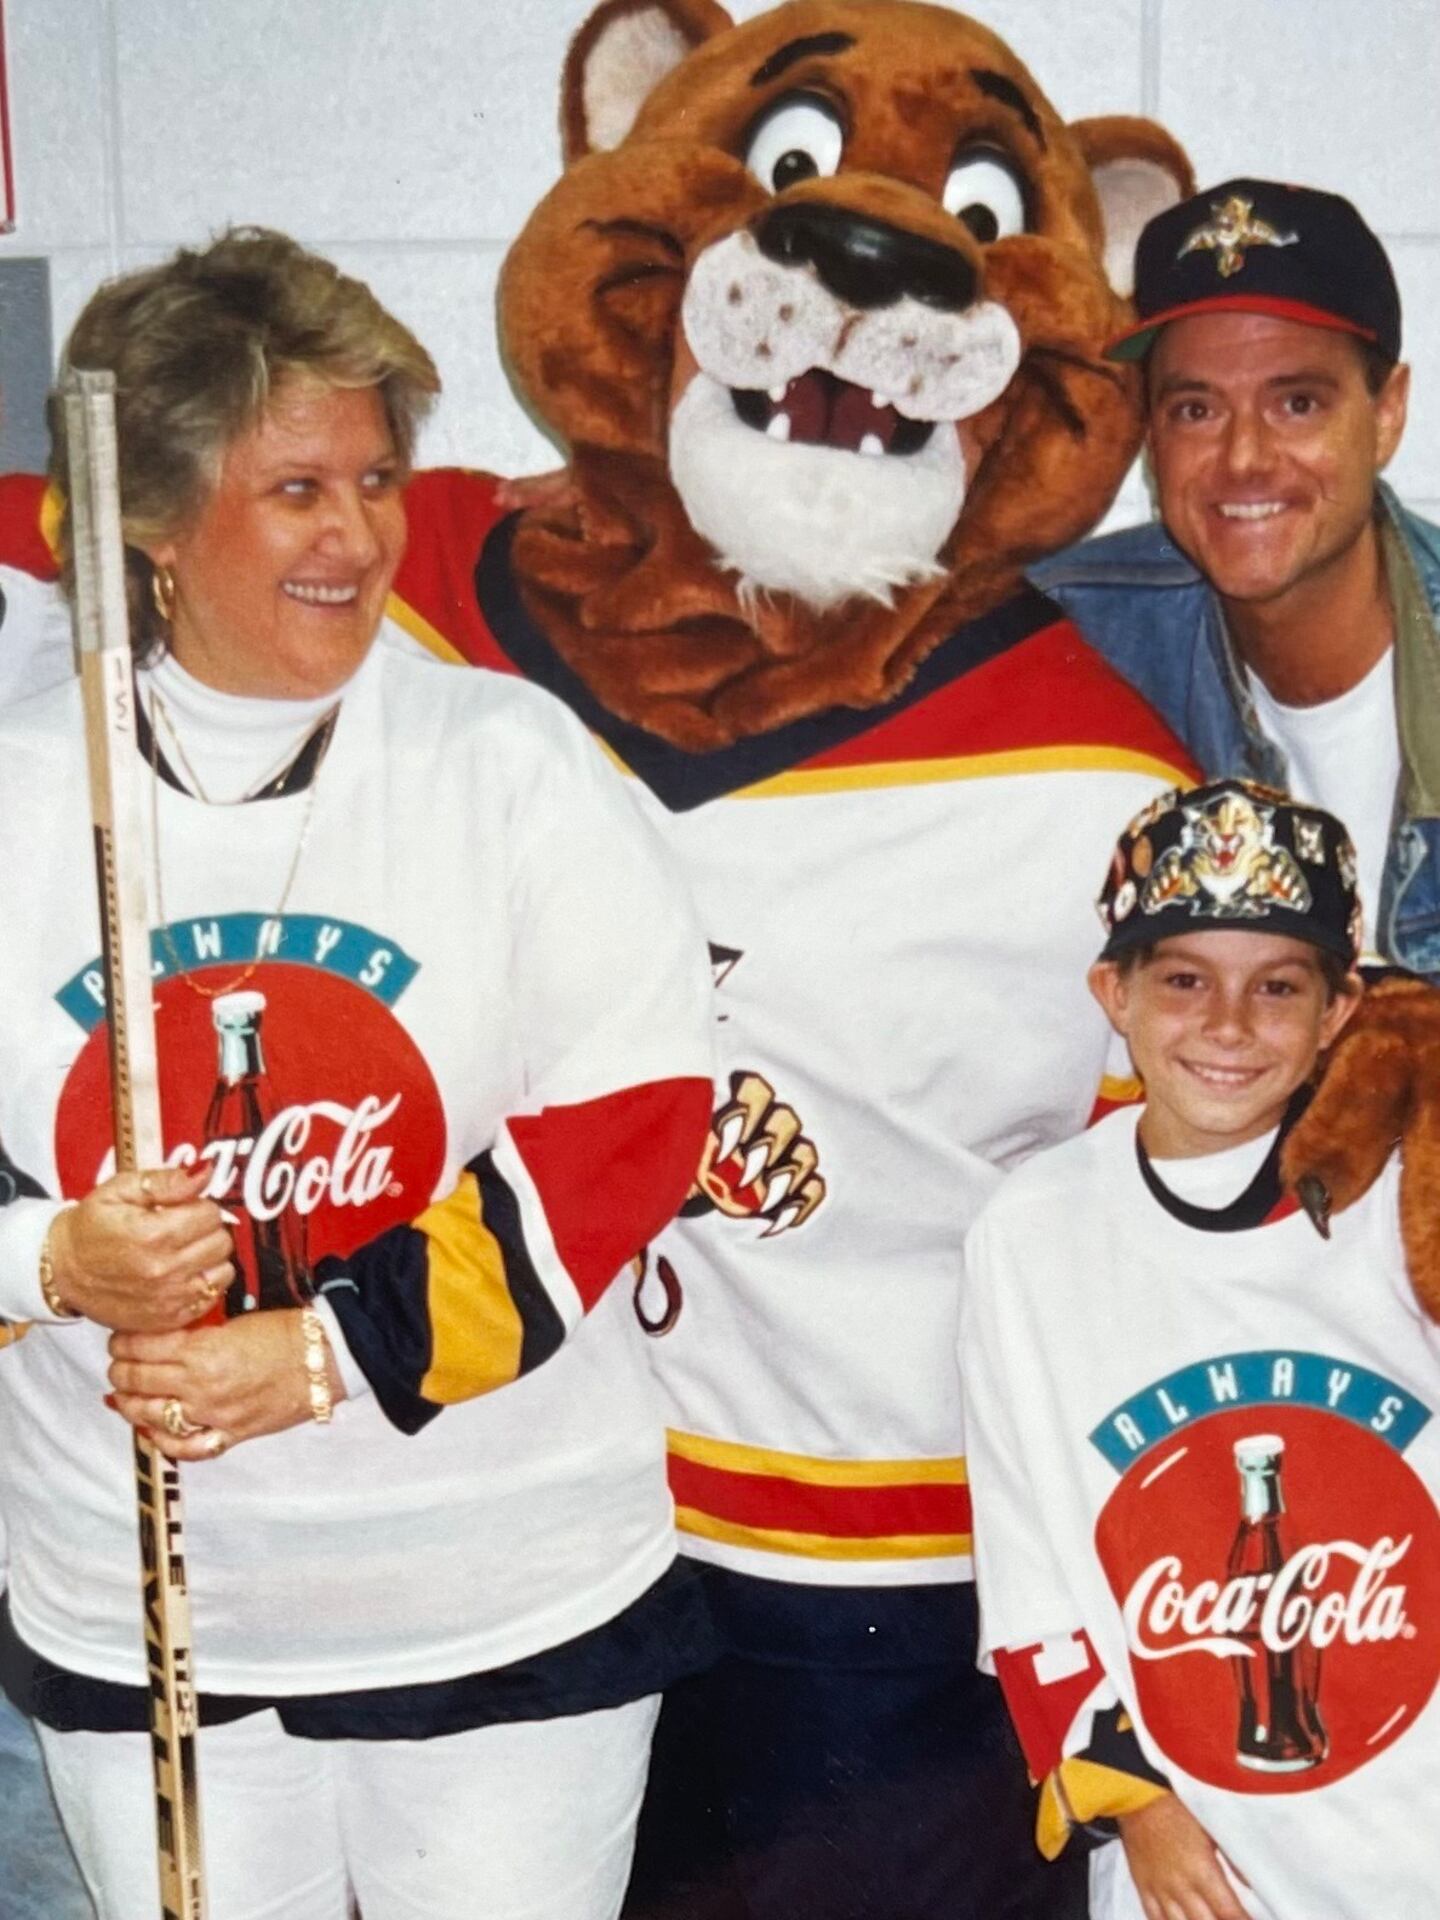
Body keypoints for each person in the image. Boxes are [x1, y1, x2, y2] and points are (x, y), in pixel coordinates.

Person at [0, 228, 715, 1920]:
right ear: (158, 524)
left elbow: (631, 1130)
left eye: (377, 478)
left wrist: (324, 1352)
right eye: (297, 488)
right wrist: (47, 1262)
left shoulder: (509, 761)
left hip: (501, 1600)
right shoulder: (25, 791)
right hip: (143, 1602)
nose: (359, 534)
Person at [960, 777, 1440, 1920]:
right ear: (1112, 994)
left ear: (1339, 1013)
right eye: (1184, 980)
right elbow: (1029, 1583)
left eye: (1278, 987)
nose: (1228, 1026)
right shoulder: (1030, 1234)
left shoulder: (1405, 1192)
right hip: (1203, 1855)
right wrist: (1140, 1808)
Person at [1032, 179, 1440, 980]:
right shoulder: (1066, 634)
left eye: (1296, 403)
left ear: (1386, 414)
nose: (1245, 458)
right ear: (1152, 433)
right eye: (1196, 411)